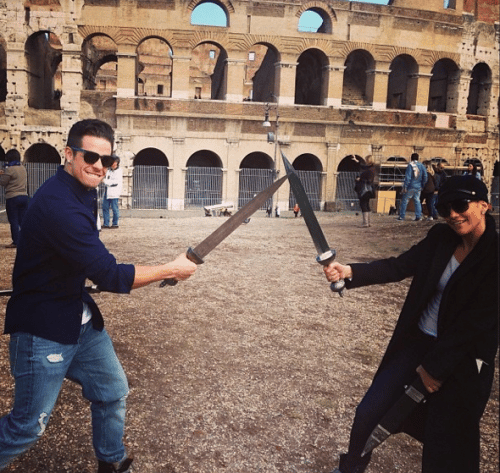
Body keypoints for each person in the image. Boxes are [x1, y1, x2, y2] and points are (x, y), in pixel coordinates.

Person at [0, 119, 197, 473]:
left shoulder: (82, 190)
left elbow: (76, 258)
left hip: (78, 319)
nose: (99, 166)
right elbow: (108, 274)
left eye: (107, 161)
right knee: (26, 427)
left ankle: (111, 462)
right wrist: (170, 268)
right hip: (43, 331)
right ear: (69, 154)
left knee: (112, 390)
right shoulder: (59, 204)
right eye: (90, 156)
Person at [324, 174, 498, 473]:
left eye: (460, 205)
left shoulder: (496, 256)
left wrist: (435, 368)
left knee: (448, 439)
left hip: (462, 360)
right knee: (370, 411)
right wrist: (350, 272)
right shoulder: (441, 239)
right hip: (418, 343)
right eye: (444, 209)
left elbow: (477, 323)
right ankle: (350, 468)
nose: (453, 215)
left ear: (484, 205)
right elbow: (399, 265)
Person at [0, 149, 29, 248]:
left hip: (12, 197)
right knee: (22, 220)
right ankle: (26, 240)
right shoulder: (23, 168)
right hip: (24, 196)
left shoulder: (9, 169)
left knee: (14, 221)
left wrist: (2, 174)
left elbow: (3, 182)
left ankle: (16, 242)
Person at [397, 153, 427, 221]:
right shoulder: (422, 166)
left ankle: (402, 216)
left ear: (411, 158)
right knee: (417, 201)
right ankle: (418, 216)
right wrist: (422, 184)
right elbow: (425, 176)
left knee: (405, 201)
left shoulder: (410, 165)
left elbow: (408, 177)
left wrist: (405, 186)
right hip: (418, 186)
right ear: (418, 158)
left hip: (410, 186)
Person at [353, 155, 376, 228]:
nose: (365, 161)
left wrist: (360, 179)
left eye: (366, 160)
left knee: (363, 204)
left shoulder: (370, 170)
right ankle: (368, 222)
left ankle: (365, 223)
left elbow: (369, 180)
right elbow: (363, 167)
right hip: (368, 190)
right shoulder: (371, 168)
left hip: (365, 190)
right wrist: (357, 161)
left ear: (369, 160)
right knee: (366, 204)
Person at [102, 156, 123, 229]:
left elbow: (115, 182)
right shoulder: (109, 170)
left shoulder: (119, 171)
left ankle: (115, 224)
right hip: (107, 192)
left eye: (114, 162)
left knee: (114, 208)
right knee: (105, 207)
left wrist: (105, 181)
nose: (113, 164)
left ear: (117, 163)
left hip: (114, 193)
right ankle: (106, 223)